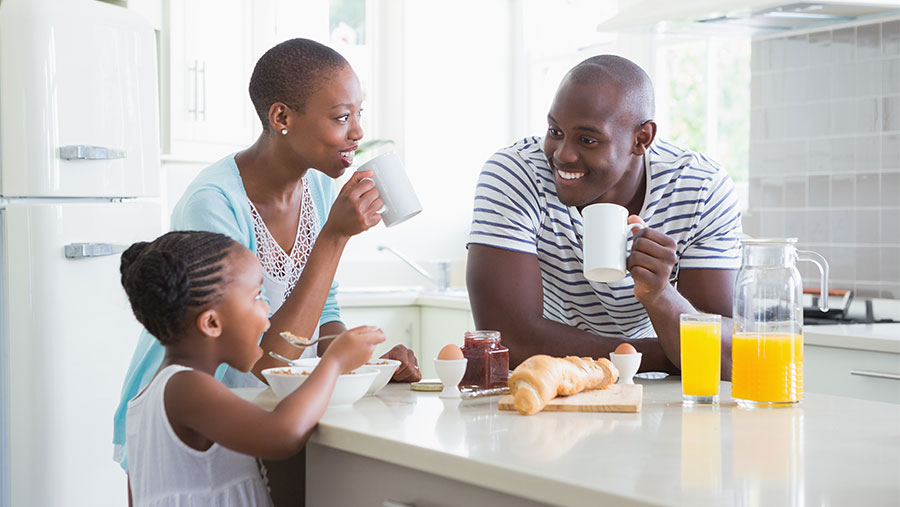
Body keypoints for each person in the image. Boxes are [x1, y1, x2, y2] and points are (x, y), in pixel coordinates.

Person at [113, 38, 420, 504]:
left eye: (359, 113)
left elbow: (324, 307)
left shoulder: (317, 187)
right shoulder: (213, 203)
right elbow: (261, 359)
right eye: (341, 116)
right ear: (281, 118)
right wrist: (333, 239)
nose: (358, 132)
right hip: (208, 408)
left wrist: (365, 364)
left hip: (258, 405)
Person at [466, 55, 741, 379]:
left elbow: (725, 359)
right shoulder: (516, 174)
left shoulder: (700, 187)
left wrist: (661, 296)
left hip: (663, 402)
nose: (562, 154)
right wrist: (665, 355)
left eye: (587, 140)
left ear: (642, 139)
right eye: (555, 130)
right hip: (553, 386)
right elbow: (511, 341)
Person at [121, 230, 386, 507]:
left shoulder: (150, 399)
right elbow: (282, 434)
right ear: (211, 323)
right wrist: (334, 362)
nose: (267, 312)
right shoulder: (185, 388)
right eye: (258, 296)